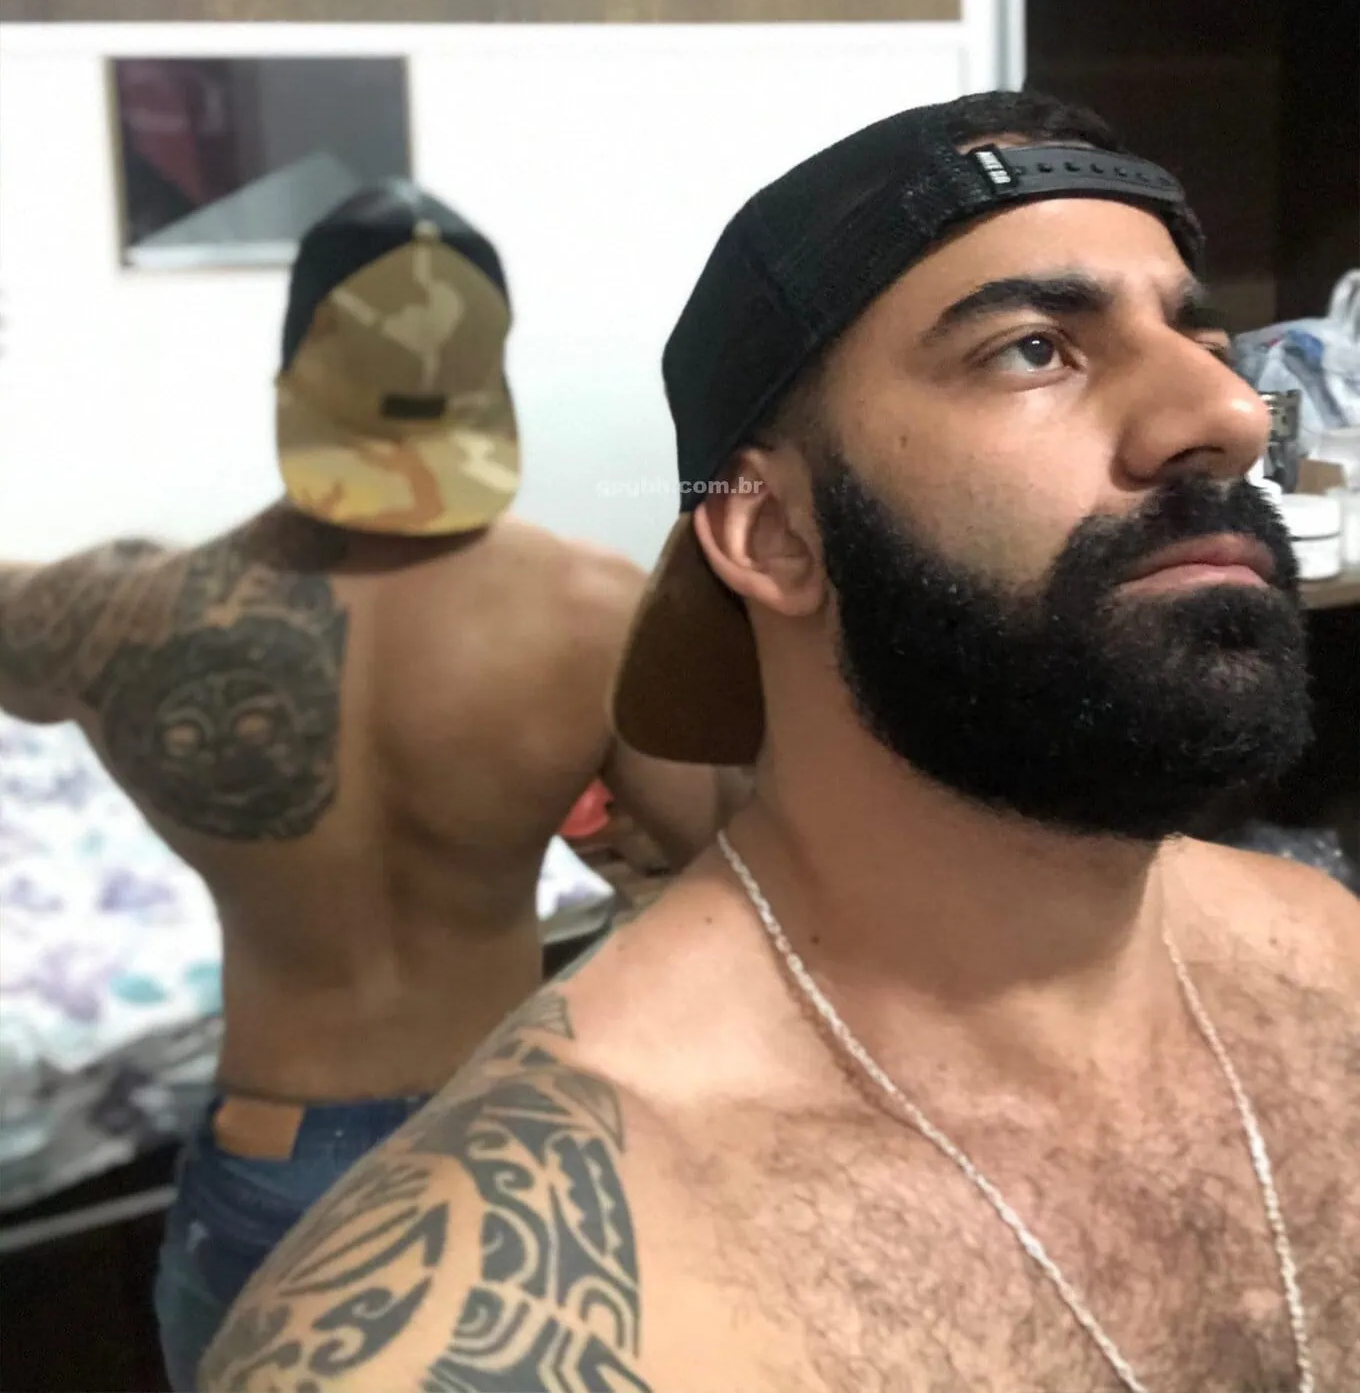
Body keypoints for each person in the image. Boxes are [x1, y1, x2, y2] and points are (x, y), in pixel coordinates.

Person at [201, 95, 1359, 1393]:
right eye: (1034, 347)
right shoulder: (503, 1309)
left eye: (1203, 339)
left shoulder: (1326, 953)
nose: (1232, 410)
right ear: (773, 532)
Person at [0, 181, 744, 1392]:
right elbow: (726, 865)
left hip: (270, 1160)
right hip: (498, 1134)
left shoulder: (128, 614)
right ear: (489, 382)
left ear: (292, 373)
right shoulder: (592, 610)